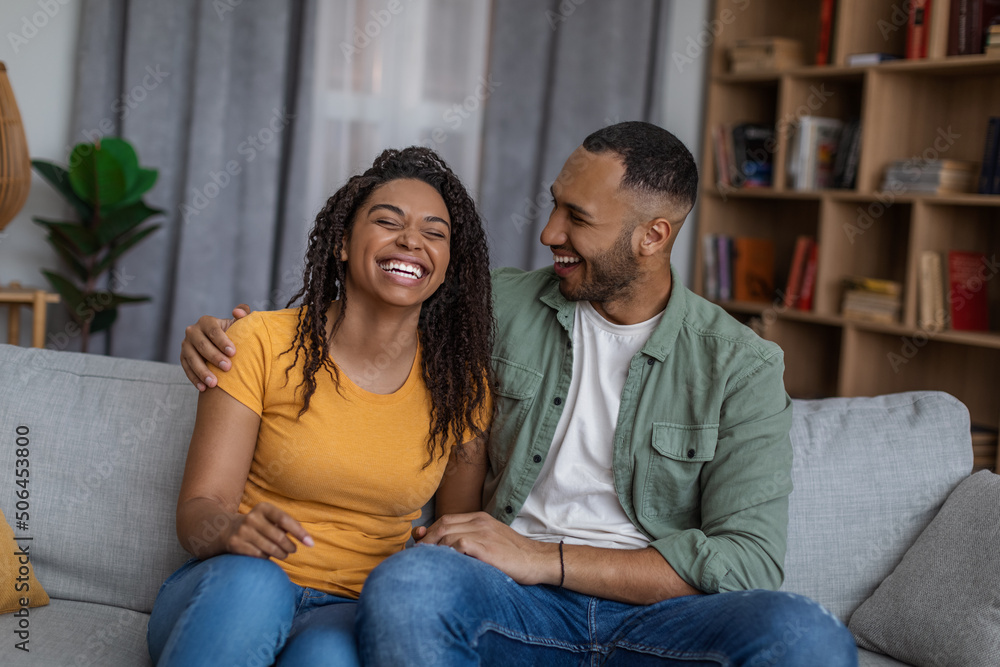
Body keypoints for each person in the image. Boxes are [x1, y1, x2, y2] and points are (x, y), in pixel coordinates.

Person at [181, 122, 858, 666]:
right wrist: (220, 336)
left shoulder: (740, 366)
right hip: (511, 601)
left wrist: (546, 557)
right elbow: (381, 302)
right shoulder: (494, 305)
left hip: (661, 615)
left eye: (576, 217)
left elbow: (750, 560)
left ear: (653, 237)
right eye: (554, 204)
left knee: (808, 635)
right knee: (410, 582)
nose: (548, 233)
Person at [149, 146, 494, 667]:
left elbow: (454, 537)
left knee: (329, 657)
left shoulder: (460, 386)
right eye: (387, 221)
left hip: (348, 608)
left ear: (447, 267)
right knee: (256, 590)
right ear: (340, 242)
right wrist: (233, 530)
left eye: (434, 232)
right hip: (231, 584)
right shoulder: (258, 342)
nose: (411, 241)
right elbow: (198, 510)